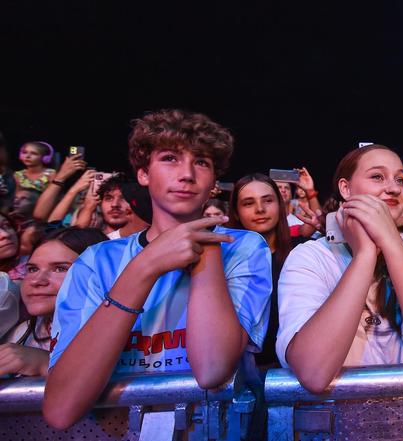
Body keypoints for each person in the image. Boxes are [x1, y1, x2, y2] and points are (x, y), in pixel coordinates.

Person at [43, 109, 272, 429]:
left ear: (214, 184)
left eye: (202, 162)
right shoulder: (96, 262)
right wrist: (145, 267)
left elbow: (211, 369)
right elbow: (61, 410)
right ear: (143, 174)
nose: (187, 173)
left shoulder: (242, 247)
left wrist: (206, 244)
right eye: (170, 159)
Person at [276, 144, 403, 394]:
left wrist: (392, 242)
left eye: (400, 179)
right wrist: (364, 255)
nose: (394, 188)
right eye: (377, 176)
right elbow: (313, 372)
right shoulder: (309, 257)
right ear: (345, 188)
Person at [0, 228, 108, 377]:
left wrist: (45, 363)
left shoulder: (133, 329)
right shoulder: (21, 334)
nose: (37, 280)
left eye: (60, 268)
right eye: (32, 269)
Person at [229, 173, 296, 367]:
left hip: (293, 370)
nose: (260, 209)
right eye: (248, 203)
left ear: (280, 205)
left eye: (268, 200)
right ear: (236, 212)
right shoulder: (224, 259)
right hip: (240, 370)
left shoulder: (303, 252)